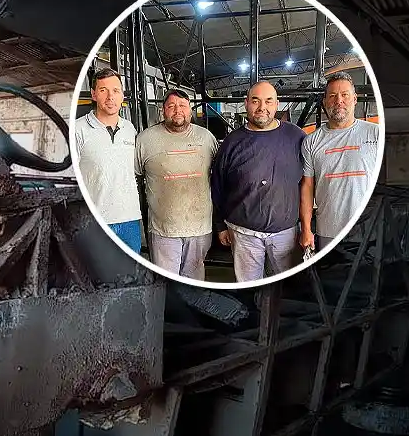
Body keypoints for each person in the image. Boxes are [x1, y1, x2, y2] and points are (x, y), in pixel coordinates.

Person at [210, 81, 305, 282]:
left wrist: (306, 228)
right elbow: (217, 186)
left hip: (285, 234)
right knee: (249, 288)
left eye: (268, 101)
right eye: (256, 101)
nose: (262, 107)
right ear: (246, 104)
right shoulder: (232, 142)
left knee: (287, 288)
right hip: (244, 234)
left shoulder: (296, 136)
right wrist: (220, 225)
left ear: (277, 104)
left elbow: (309, 180)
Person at [134, 89, 218, 280]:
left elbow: (220, 176)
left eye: (182, 106)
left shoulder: (206, 138)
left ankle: (191, 311)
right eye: (171, 106)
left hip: (200, 227)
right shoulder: (145, 140)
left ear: (190, 110)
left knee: (194, 280)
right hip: (164, 229)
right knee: (166, 283)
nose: (177, 110)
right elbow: (134, 176)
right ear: (163, 110)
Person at [299, 71, 379, 251]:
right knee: (331, 278)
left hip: (371, 230)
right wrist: (306, 229)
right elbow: (307, 187)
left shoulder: (376, 134)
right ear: (325, 101)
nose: (339, 101)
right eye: (333, 96)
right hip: (328, 231)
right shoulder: (311, 141)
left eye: (345, 95)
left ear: (355, 99)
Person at [74, 67, 142, 252]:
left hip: (130, 220)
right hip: (96, 222)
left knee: (130, 277)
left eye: (115, 91)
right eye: (103, 90)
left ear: (122, 96)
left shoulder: (130, 129)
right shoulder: (77, 130)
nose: (110, 97)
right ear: (94, 95)